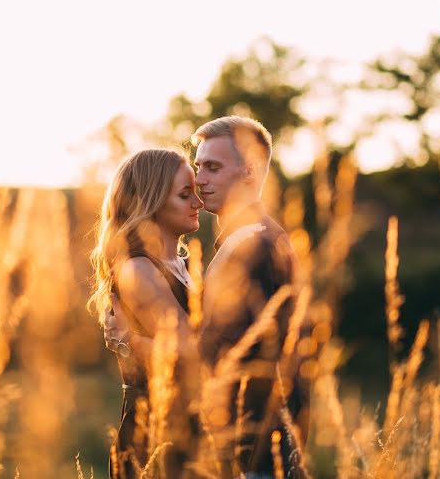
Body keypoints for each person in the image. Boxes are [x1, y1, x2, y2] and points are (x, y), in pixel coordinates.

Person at [105, 116, 311, 479]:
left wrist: (128, 341)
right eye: (196, 171)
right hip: (166, 441)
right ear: (152, 202)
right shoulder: (240, 245)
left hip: (251, 451)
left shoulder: (253, 247)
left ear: (249, 172)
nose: (200, 184)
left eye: (212, 168)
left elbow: (204, 358)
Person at [88, 148, 204, 479]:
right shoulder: (139, 270)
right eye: (185, 194)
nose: (198, 203)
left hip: (188, 431)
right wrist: (132, 344)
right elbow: (192, 354)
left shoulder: (181, 265)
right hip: (154, 438)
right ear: (150, 202)